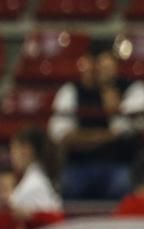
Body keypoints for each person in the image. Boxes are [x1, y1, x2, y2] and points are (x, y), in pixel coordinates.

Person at [48, 44, 133, 201]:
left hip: (117, 164)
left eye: (107, 66)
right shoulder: (71, 90)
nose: (101, 71)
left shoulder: (129, 89)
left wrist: (109, 94)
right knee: (69, 185)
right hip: (79, 165)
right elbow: (60, 134)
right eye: (98, 65)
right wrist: (107, 137)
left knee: (121, 183)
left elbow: (125, 129)